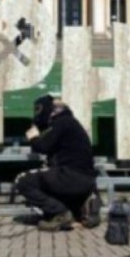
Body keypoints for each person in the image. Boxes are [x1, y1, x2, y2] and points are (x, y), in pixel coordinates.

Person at [16, 95, 98, 232]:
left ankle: (60, 214)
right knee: (48, 176)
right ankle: (81, 207)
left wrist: (33, 137)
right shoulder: (70, 123)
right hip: (86, 181)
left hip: (70, 176)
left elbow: (43, 147)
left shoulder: (62, 123)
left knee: (23, 180)